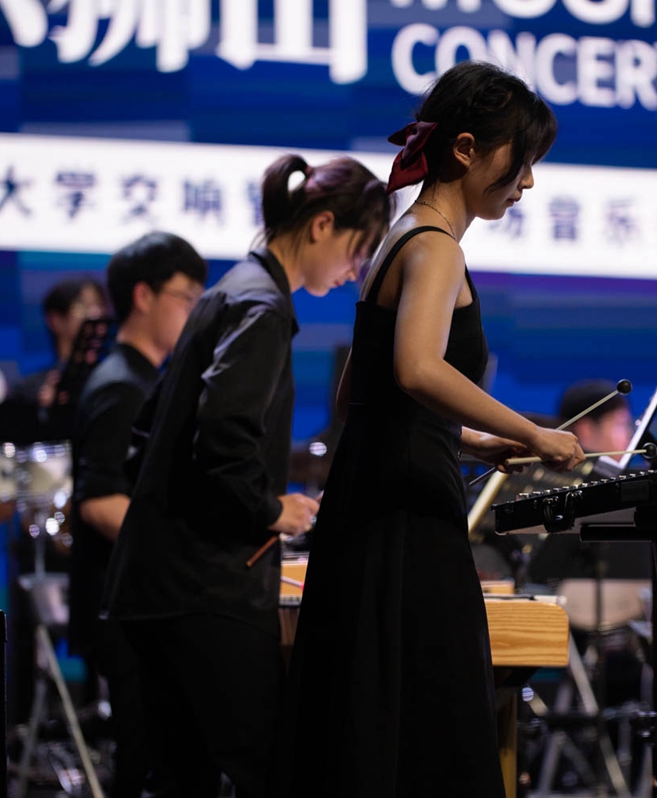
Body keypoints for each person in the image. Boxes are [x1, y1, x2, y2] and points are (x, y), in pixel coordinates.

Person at [281, 61, 585, 798]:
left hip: (371, 504)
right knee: (429, 720)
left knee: (370, 712)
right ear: (467, 149)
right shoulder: (437, 246)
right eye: (523, 161)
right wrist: (536, 433)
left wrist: (476, 441)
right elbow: (417, 369)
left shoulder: (398, 235)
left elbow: (367, 389)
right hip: (407, 516)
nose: (528, 182)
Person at [101, 153, 393, 796]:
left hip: (154, 587)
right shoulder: (260, 306)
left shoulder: (229, 291)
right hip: (205, 590)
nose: (353, 272)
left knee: (181, 780)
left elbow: (145, 438)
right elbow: (224, 439)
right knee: (272, 769)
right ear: (321, 225)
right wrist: (271, 509)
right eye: (357, 250)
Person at [69, 232, 207, 797]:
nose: (194, 309)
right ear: (143, 296)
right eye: (186, 296)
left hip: (137, 603)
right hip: (124, 609)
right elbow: (98, 500)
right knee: (144, 765)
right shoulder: (120, 385)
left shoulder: (142, 377)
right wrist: (186, 549)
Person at [10, 276, 109, 411]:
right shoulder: (28, 392)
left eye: (99, 306)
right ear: (55, 320)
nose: (95, 314)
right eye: (82, 307)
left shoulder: (111, 379)